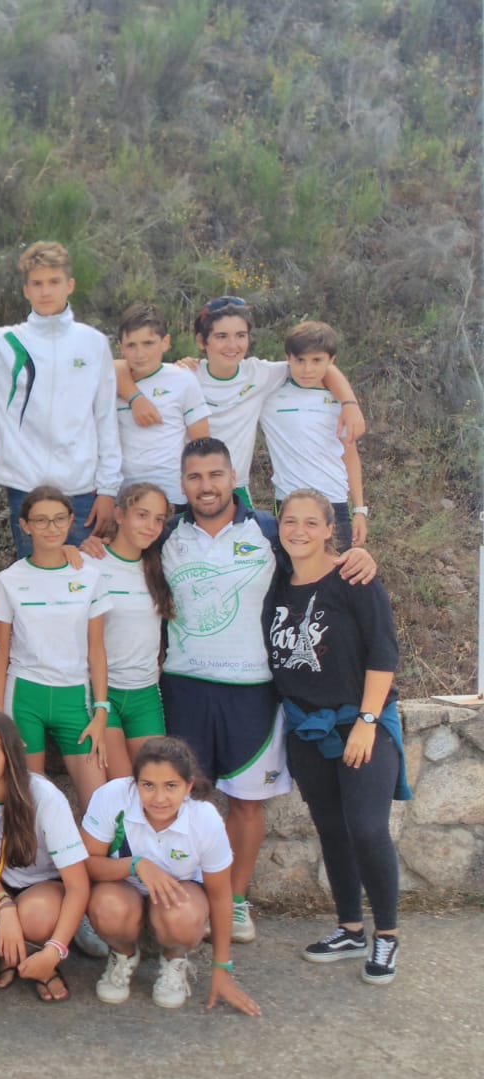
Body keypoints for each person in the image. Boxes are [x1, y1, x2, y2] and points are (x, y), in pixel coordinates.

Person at [153, 437, 376, 945]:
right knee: (195, 803)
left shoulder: (271, 531)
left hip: (254, 688)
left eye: (214, 475)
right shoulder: (163, 536)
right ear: (182, 483)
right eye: (194, 477)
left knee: (247, 804)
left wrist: (358, 558)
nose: (205, 486)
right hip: (186, 686)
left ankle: (234, 901)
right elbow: (119, 552)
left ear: (233, 476)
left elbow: (318, 559)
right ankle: (198, 900)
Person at [266, 488, 408, 984]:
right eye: (289, 521)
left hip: (360, 724)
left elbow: (383, 653)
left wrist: (366, 723)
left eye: (311, 522)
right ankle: (350, 928)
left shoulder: (354, 577)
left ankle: (386, 936)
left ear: (332, 530)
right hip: (308, 729)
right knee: (332, 829)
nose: (298, 530)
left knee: (367, 828)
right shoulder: (279, 580)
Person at [0, 227, 120, 555]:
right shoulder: (2, 344)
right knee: (38, 592)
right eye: (37, 284)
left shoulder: (93, 343)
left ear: (69, 285)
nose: (46, 291)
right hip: (26, 490)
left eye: (54, 282)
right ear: (26, 290)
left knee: (82, 589)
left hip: (82, 492)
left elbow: (105, 418)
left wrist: (109, 491)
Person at [82, 738, 260, 1013]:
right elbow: (87, 864)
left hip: (180, 895)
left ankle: (175, 959)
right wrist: (136, 865)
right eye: (148, 785)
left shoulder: (204, 818)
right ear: (135, 782)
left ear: (189, 786)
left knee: (184, 919)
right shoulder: (112, 796)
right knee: (107, 908)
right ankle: (122, 954)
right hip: (121, 889)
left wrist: (222, 968)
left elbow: (220, 895)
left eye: (171, 786)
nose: (159, 798)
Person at [0, 710, 90, 1002]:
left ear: (10, 753)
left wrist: (55, 949)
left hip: (42, 886)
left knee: (34, 915)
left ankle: (40, 959)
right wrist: (2, 904)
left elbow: (78, 886)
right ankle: (1, 952)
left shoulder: (45, 797)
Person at [0, 487, 112, 804]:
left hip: (75, 696)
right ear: (25, 525)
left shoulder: (89, 576)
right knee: (30, 801)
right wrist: (0, 715)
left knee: (99, 803)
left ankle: (93, 855)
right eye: (41, 520)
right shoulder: (8, 579)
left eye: (59, 519)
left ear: (71, 521)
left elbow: (96, 649)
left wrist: (101, 710)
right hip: (25, 694)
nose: (51, 527)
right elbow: (0, 653)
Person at [184, 295, 364, 509]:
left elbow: (320, 364)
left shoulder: (261, 374)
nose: (232, 345)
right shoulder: (184, 377)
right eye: (221, 336)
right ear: (202, 341)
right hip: (188, 488)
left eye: (240, 335)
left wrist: (349, 404)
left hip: (235, 487)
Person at [259, 321, 367, 551]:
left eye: (317, 361)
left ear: (331, 361)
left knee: (338, 577)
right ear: (288, 358)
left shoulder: (339, 401)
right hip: (290, 501)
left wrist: (359, 509)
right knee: (293, 577)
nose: (307, 369)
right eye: (300, 360)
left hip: (334, 503)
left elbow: (349, 456)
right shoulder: (270, 395)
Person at [98, 482, 175, 780]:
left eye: (158, 519)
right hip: (105, 693)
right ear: (119, 514)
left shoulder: (160, 566)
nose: (151, 526)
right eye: (142, 515)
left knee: (152, 784)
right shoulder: (90, 564)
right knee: (122, 787)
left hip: (145, 693)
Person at [111, 303, 210, 505]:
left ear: (165, 342)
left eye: (148, 343)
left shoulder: (182, 379)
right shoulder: (110, 383)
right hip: (122, 493)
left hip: (172, 493)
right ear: (120, 347)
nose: (140, 353)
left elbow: (201, 443)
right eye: (131, 345)